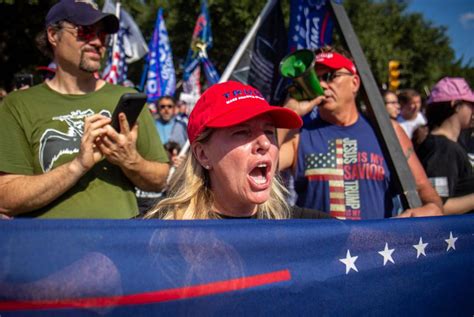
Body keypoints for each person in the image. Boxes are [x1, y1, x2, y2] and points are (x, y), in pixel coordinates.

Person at [0, 0, 169, 218]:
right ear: (53, 35)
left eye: (103, 35)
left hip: (118, 247)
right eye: (86, 31)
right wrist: (77, 166)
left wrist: (130, 160)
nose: (98, 41)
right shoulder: (18, 105)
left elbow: (161, 180)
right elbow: (5, 199)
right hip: (47, 248)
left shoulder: (126, 100)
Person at [279, 46, 442, 220]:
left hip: (376, 246)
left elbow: (426, 192)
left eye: (330, 76)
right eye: (316, 78)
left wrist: (431, 209)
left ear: (355, 82)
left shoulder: (388, 131)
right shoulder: (299, 135)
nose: (322, 85)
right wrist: (288, 114)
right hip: (321, 246)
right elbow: (262, 168)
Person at [145, 81, 332, 220]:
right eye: (242, 132)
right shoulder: (160, 233)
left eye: (269, 131)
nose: (265, 143)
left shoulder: (305, 229)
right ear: (203, 154)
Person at [416, 77, 474, 215]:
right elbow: (438, 206)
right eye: (471, 104)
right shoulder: (442, 149)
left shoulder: (449, 144)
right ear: (455, 104)